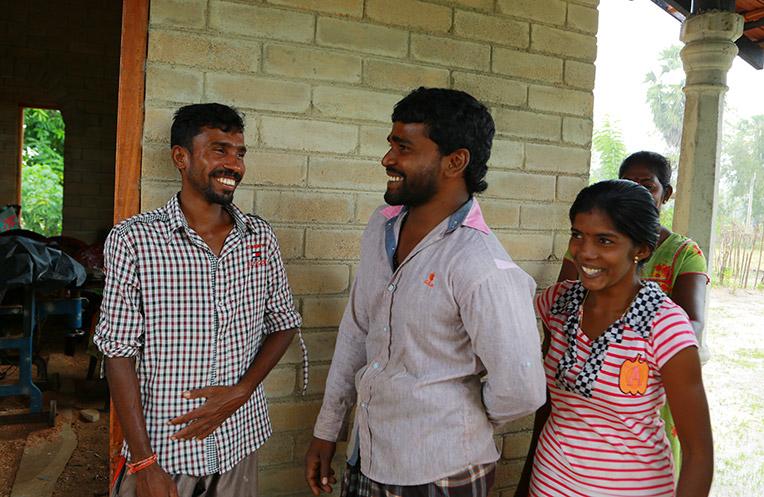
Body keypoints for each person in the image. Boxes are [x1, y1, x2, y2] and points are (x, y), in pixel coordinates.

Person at [304, 87, 546, 497]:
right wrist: (328, 429)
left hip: (440, 472)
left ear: (455, 161)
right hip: (367, 453)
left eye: (404, 147)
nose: (388, 159)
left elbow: (522, 391)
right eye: (390, 144)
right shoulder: (381, 226)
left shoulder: (481, 264)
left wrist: (453, 416)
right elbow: (356, 332)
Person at [95, 103, 305, 497]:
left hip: (238, 443)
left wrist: (242, 390)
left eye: (240, 153)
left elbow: (284, 323)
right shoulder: (134, 240)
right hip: (163, 451)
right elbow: (117, 353)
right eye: (219, 150)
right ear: (181, 157)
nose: (234, 165)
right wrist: (144, 462)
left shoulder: (259, 238)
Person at [516, 180, 713, 497]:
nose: (584, 252)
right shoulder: (558, 303)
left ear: (641, 250)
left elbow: (699, 454)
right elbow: (549, 404)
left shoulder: (665, 325)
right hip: (549, 484)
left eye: (605, 241)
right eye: (577, 235)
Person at [557, 151, 709, 469]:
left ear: (665, 194)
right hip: (586, 371)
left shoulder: (683, 252)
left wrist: (643, 342)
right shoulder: (590, 248)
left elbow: (691, 322)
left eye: (647, 185)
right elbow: (565, 305)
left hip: (647, 374)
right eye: (628, 183)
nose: (638, 191)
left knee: (646, 445)